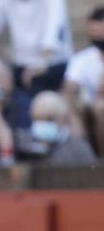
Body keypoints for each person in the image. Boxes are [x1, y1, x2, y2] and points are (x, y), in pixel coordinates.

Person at [0, 0, 71, 96]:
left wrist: (39, 66)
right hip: (21, 68)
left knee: (33, 84)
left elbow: (53, 34)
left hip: (52, 66)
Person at [62, 6, 104, 153]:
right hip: (89, 111)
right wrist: (71, 116)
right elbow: (69, 89)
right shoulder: (82, 60)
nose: (97, 37)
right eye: (93, 32)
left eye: (100, 32)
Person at [18, 89, 97, 164]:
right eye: (37, 119)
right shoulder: (25, 145)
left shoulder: (79, 148)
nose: (42, 124)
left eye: (49, 119)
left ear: (62, 119)